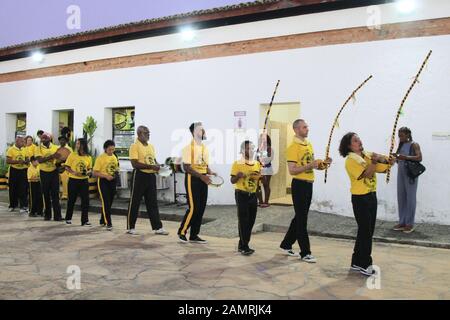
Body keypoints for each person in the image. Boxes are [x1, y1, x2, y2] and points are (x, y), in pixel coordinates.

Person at [339, 132, 394, 276]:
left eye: (359, 139)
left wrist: (388, 161)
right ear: (349, 146)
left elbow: (382, 168)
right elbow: (368, 174)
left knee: (365, 230)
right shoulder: (351, 160)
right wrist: (375, 162)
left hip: (371, 195)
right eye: (356, 140)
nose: (359, 141)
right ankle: (365, 264)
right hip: (360, 198)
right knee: (366, 231)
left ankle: (356, 261)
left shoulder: (367, 155)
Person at [279, 119, 331, 262]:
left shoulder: (308, 144)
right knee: (302, 219)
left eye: (307, 127)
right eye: (304, 127)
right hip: (299, 185)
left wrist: (324, 165)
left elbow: (313, 166)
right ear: (296, 129)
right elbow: (293, 170)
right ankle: (305, 252)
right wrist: (310, 165)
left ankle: (286, 244)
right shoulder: (292, 147)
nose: (307, 129)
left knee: (300, 216)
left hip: (309, 184)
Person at [178, 122, 216, 244]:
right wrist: (201, 176)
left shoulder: (204, 147)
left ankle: (194, 235)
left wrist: (209, 171)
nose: (204, 131)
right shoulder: (188, 148)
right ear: (195, 132)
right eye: (201, 130)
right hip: (192, 179)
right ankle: (182, 232)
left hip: (202, 178)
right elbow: (187, 168)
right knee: (193, 208)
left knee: (201, 208)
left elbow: (203, 163)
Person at [126, 126, 168, 236]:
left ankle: (157, 227)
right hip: (139, 176)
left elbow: (153, 161)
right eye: (146, 133)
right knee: (135, 201)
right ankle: (131, 227)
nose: (148, 134)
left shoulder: (151, 146)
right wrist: (151, 166)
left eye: (149, 133)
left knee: (152, 202)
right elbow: (134, 164)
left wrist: (159, 167)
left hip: (150, 176)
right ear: (139, 134)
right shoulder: (134, 146)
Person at [231, 140, 261, 255]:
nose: (252, 150)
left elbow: (258, 178)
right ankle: (244, 246)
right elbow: (232, 180)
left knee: (251, 221)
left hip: (253, 195)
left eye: (253, 148)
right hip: (241, 194)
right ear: (243, 150)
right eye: (249, 148)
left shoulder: (256, 164)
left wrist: (258, 177)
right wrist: (238, 176)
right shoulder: (237, 164)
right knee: (243, 220)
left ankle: (242, 244)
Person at [392, 127, 422, 233]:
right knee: (401, 197)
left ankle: (410, 223)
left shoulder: (414, 144)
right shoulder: (401, 145)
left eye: (402, 135)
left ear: (408, 135)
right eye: (399, 136)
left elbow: (419, 158)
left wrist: (405, 157)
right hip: (400, 173)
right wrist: (395, 158)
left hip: (410, 174)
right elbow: (399, 159)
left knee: (410, 198)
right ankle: (402, 221)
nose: (400, 137)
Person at [64, 138, 92, 226]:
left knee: (85, 201)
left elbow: (90, 168)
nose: (77, 145)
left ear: (83, 145)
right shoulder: (72, 155)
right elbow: (67, 167)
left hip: (84, 181)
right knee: (71, 200)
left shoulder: (88, 157)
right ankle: (68, 218)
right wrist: (74, 172)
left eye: (79, 144)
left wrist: (88, 172)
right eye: (76, 143)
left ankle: (85, 220)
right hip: (73, 181)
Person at [35, 133, 62, 221]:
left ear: (49, 139)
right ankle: (47, 215)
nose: (43, 139)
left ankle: (57, 216)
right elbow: (39, 160)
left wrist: (60, 163)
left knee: (55, 194)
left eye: (45, 138)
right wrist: (52, 156)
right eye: (42, 138)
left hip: (54, 172)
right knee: (46, 194)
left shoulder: (55, 147)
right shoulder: (38, 148)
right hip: (44, 173)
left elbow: (59, 159)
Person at [93, 140, 119, 231]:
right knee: (106, 202)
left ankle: (102, 219)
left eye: (113, 149)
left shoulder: (114, 157)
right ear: (105, 149)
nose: (111, 151)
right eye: (109, 150)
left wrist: (115, 175)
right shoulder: (100, 158)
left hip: (112, 181)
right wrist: (106, 176)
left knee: (110, 202)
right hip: (103, 181)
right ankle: (109, 222)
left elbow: (116, 168)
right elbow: (95, 172)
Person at [6, 136, 29, 213]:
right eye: (22, 142)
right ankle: (12, 205)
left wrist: (26, 161)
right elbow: (8, 161)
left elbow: (27, 158)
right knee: (13, 188)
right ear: (17, 141)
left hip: (22, 171)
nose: (23, 143)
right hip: (14, 171)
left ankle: (23, 206)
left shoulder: (24, 149)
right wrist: (18, 162)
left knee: (23, 189)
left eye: (23, 142)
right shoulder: (11, 149)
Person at [256, 134, 274, 208]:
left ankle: (266, 202)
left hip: (267, 169)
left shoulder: (269, 149)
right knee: (258, 186)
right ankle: (260, 202)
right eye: (261, 139)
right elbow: (257, 158)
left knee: (266, 185)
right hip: (259, 169)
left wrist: (262, 158)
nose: (262, 140)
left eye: (263, 139)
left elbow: (269, 159)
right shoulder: (258, 149)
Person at [57, 136, 73, 200]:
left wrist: (65, 165)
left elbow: (71, 159)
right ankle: (57, 194)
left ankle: (65, 194)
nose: (62, 141)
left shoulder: (69, 149)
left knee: (65, 179)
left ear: (66, 141)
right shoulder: (57, 148)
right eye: (60, 140)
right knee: (56, 181)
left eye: (63, 140)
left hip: (66, 167)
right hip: (57, 166)